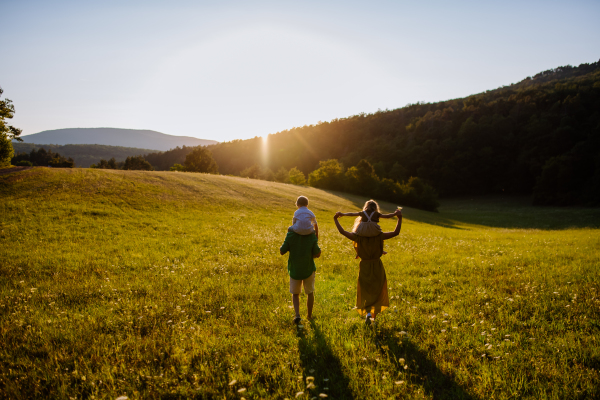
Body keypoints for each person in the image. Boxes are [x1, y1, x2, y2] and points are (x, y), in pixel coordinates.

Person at [334, 208, 403, 324]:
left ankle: (368, 314)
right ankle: (373, 317)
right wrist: (399, 218)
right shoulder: (379, 236)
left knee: (366, 290)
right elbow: (396, 232)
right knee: (377, 290)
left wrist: (336, 220)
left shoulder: (358, 237)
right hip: (377, 265)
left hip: (364, 266)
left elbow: (342, 231)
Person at [280, 213, 322, 324]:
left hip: (295, 269)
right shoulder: (312, 236)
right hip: (308, 268)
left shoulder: (291, 235)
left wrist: (288, 235)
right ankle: (309, 316)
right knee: (310, 292)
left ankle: (297, 315)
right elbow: (317, 253)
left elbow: (282, 251)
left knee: (295, 293)